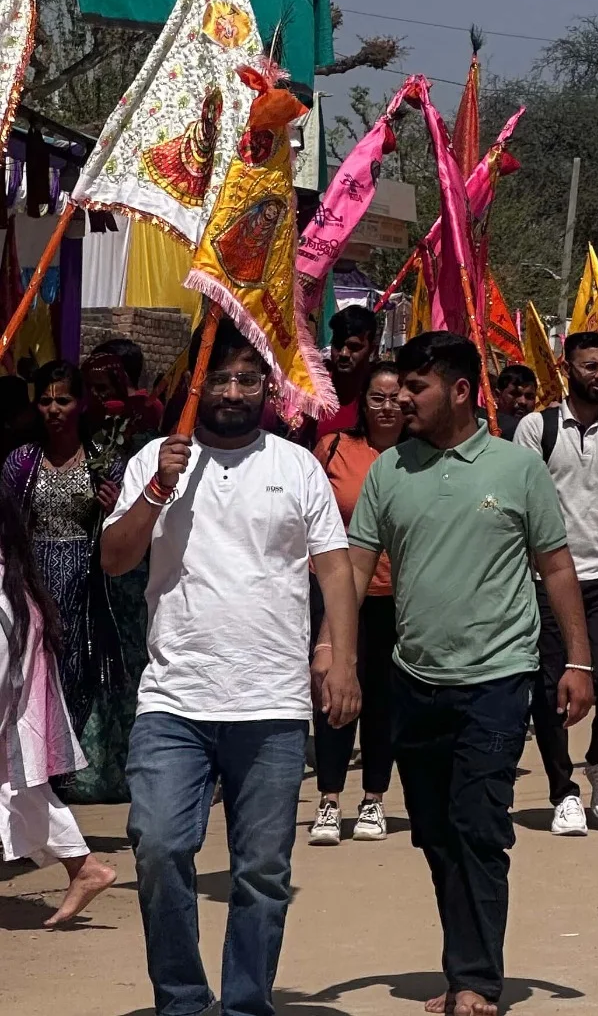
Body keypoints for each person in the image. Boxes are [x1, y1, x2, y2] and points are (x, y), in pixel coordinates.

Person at [101, 317, 361, 1016]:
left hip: (271, 703)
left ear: (269, 387)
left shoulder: (296, 465)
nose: (236, 390)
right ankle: (183, 1001)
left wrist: (342, 656)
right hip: (174, 700)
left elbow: (334, 568)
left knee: (263, 871)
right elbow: (115, 557)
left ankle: (247, 1003)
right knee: (158, 847)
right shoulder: (157, 460)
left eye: (250, 377)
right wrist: (158, 489)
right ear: (195, 382)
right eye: (221, 376)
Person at [347, 331, 593, 1016]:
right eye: (396, 389)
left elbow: (556, 567)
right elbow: (357, 566)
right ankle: (463, 962)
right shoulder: (389, 471)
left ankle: (477, 979)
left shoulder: (516, 468)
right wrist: (335, 651)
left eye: (416, 389)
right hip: (412, 680)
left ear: (459, 390)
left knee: (479, 825)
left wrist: (577, 659)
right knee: (434, 831)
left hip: (497, 678)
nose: (401, 400)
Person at [514, 331, 598, 835]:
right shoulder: (536, 428)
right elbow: (525, 496)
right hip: (547, 581)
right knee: (552, 687)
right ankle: (561, 790)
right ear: (568, 368)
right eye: (589, 366)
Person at [3, 361, 140, 805]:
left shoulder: (106, 460)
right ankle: (33, 774)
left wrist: (114, 505)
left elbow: (128, 523)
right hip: (32, 581)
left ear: (81, 404)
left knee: (77, 674)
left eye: (63, 399)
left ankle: (62, 773)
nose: (54, 409)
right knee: (30, 677)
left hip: (85, 583)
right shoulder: (21, 461)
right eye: (45, 400)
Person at [0, 494, 117, 926]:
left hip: (10, 718)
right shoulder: (14, 585)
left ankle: (84, 868)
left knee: (21, 793)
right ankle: (83, 868)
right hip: (14, 720)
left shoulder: (5, 593)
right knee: (21, 794)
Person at [308, 361, 406, 847]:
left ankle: (374, 797)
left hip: (400, 597)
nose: (387, 408)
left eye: (396, 398)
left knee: (383, 701)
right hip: (336, 593)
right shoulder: (333, 450)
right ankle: (328, 799)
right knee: (332, 693)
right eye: (377, 398)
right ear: (361, 404)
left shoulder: (421, 455)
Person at [322, 304, 381, 435]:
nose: (343, 353)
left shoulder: (383, 395)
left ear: (372, 350)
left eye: (354, 347)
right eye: (337, 344)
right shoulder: (312, 387)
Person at [492, 364, 537, 441]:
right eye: (515, 394)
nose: (523, 401)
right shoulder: (484, 428)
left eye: (529, 396)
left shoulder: (541, 431)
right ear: (497, 395)